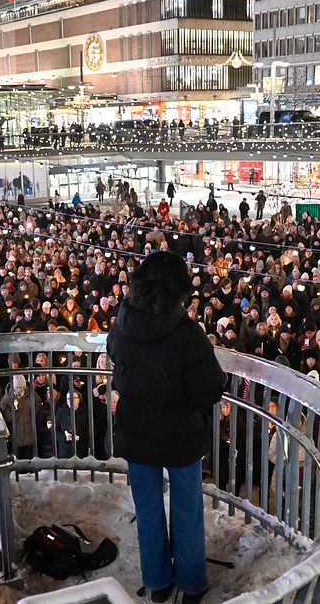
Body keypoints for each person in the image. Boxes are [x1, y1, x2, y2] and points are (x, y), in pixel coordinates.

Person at [106, 250, 225, 604]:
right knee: (187, 510)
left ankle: (157, 582)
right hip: (181, 437)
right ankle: (191, 584)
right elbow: (210, 385)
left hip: (137, 432)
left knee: (147, 508)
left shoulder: (123, 321)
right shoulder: (186, 333)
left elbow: (114, 352)